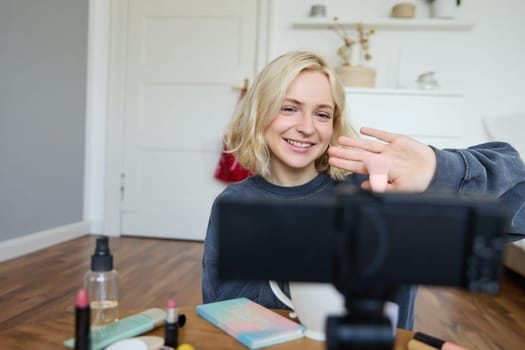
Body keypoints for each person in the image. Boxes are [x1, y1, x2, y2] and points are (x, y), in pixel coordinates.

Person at [201, 51, 525, 330]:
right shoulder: (233, 203)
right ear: (259, 113)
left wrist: (437, 171)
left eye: (322, 114)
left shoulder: (375, 192)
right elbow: (223, 306)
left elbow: (517, 209)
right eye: (289, 108)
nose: (307, 127)